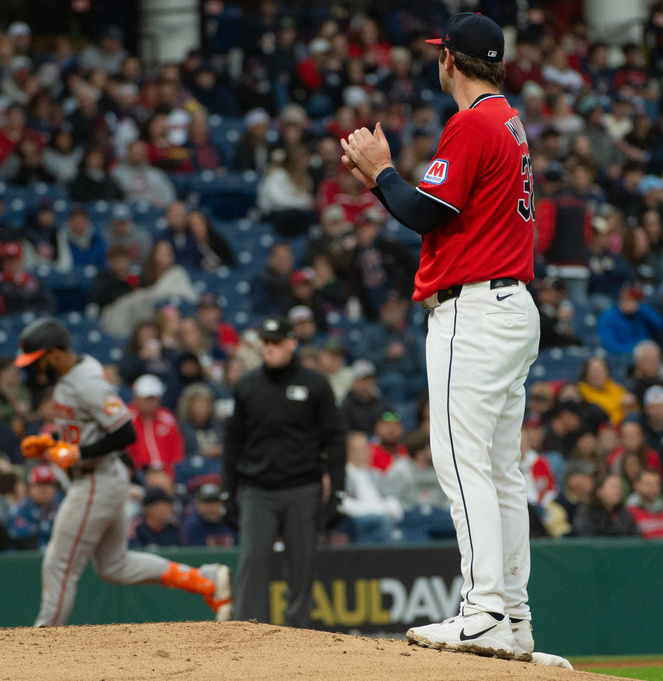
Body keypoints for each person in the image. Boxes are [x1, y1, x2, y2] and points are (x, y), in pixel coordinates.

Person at [340, 13, 538, 660]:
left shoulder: (475, 122)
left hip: (475, 311)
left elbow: (425, 211)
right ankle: (511, 616)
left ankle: (483, 611)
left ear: (449, 60)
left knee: (463, 464)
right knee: (502, 472)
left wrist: (380, 173)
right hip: (510, 304)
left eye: (440, 54)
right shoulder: (508, 118)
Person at [12, 317, 231, 626]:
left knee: (58, 563)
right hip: (101, 477)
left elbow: (126, 432)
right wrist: (52, 443)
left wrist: (79, 452)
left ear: (56, 353)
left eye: (37, 361)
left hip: (95, 480)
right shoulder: (72, 375)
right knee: (115, 566)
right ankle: (205, 581)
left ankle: (45, 637)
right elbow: (87, 431)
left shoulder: (86, 381)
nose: (33, 369)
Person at [223, 316, 346, 628]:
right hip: (258, 489)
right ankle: (248, 632)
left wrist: (338, 491)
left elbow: (334, 439)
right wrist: (227, 491)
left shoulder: (315, 384)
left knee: (302, 566)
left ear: (293, 343)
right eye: (265, 342)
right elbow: (233, 442)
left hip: (303, 488)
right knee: (252, 561)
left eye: (276, 342)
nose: (269, 348)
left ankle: (297, 637)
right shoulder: (247, 385)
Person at [340, 431, 404, 542]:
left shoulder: (375, 473)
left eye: (367, 447)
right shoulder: (343, 476)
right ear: (348, 452)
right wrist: (381, 510)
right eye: (361, 448)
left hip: (382, 515)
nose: (368, 451)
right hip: (358, 518)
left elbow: (390, 497)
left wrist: (393, 510)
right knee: (386, 521)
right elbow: (345, 505)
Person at [126, 374, 184, 479]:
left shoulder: (167, 419)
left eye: (153, 398)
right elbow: (126, 452)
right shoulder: (127, 420)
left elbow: (176, 452)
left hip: (166, 474)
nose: (150, 403)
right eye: (146, 398)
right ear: (136, 397)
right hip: (138, 474)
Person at [5, 465, 59, 550]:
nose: (43, 489)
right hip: (25, 559)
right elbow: (22, 540)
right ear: (30, 487)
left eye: (48, 484)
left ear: (55, 488)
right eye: (39, 484)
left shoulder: (60, 509)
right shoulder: (20, 509)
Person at [572, 474, 641, 538]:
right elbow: (585, 539)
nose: (617, 491)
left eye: (619, 487)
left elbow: (634, 538)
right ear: (599, 491)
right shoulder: (586, 512)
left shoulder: (624, 513)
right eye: (613, 486)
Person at [625, 469, 663, 539]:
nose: (652, 487)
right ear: (636, 485)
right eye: (647, 484)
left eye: (656, 484)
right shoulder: (629, 513)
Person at [181, 483, 239, 547]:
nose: (211, 508)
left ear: (222, 503)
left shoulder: (232, 523)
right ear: (198, 505)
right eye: (207, 503)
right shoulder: (192, 526)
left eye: (214, 502)